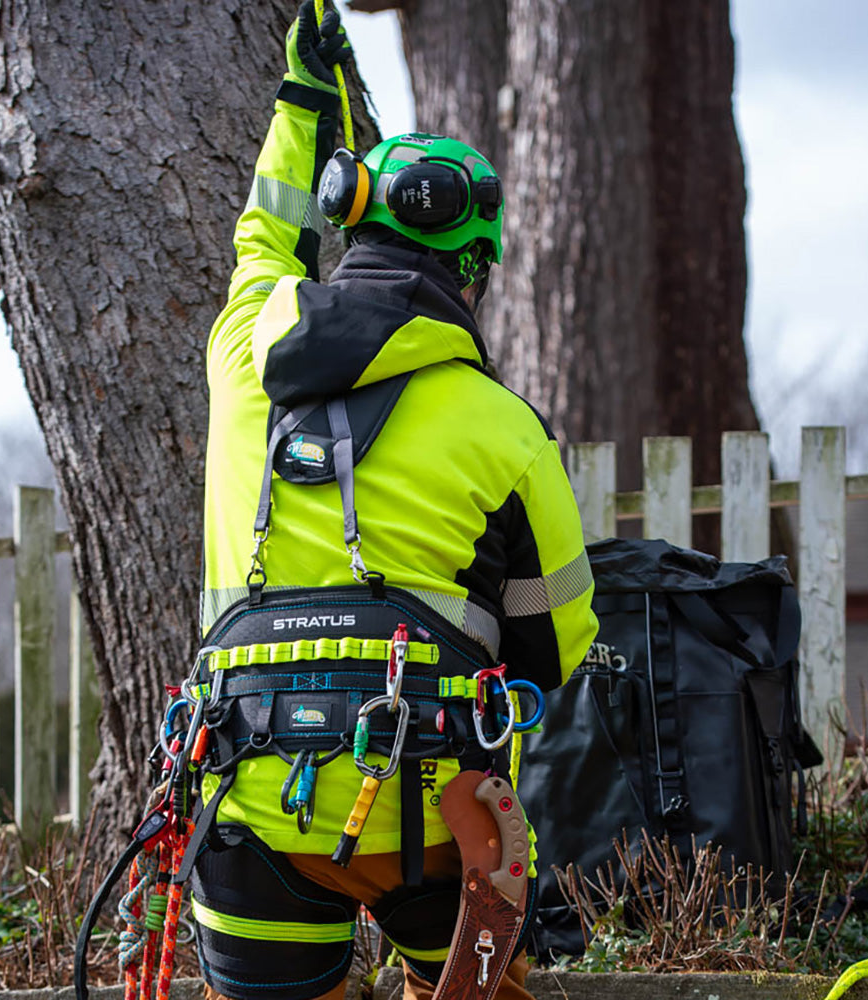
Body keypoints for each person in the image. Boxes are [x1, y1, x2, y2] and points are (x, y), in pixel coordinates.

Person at [193, 3, 599, 999]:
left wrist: (302, 95)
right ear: (475, 268)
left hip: (252, 805)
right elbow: (555, 649)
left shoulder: (246, 354)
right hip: (437, 814)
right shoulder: (502, 427)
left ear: (350, 221)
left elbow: (263, 235)